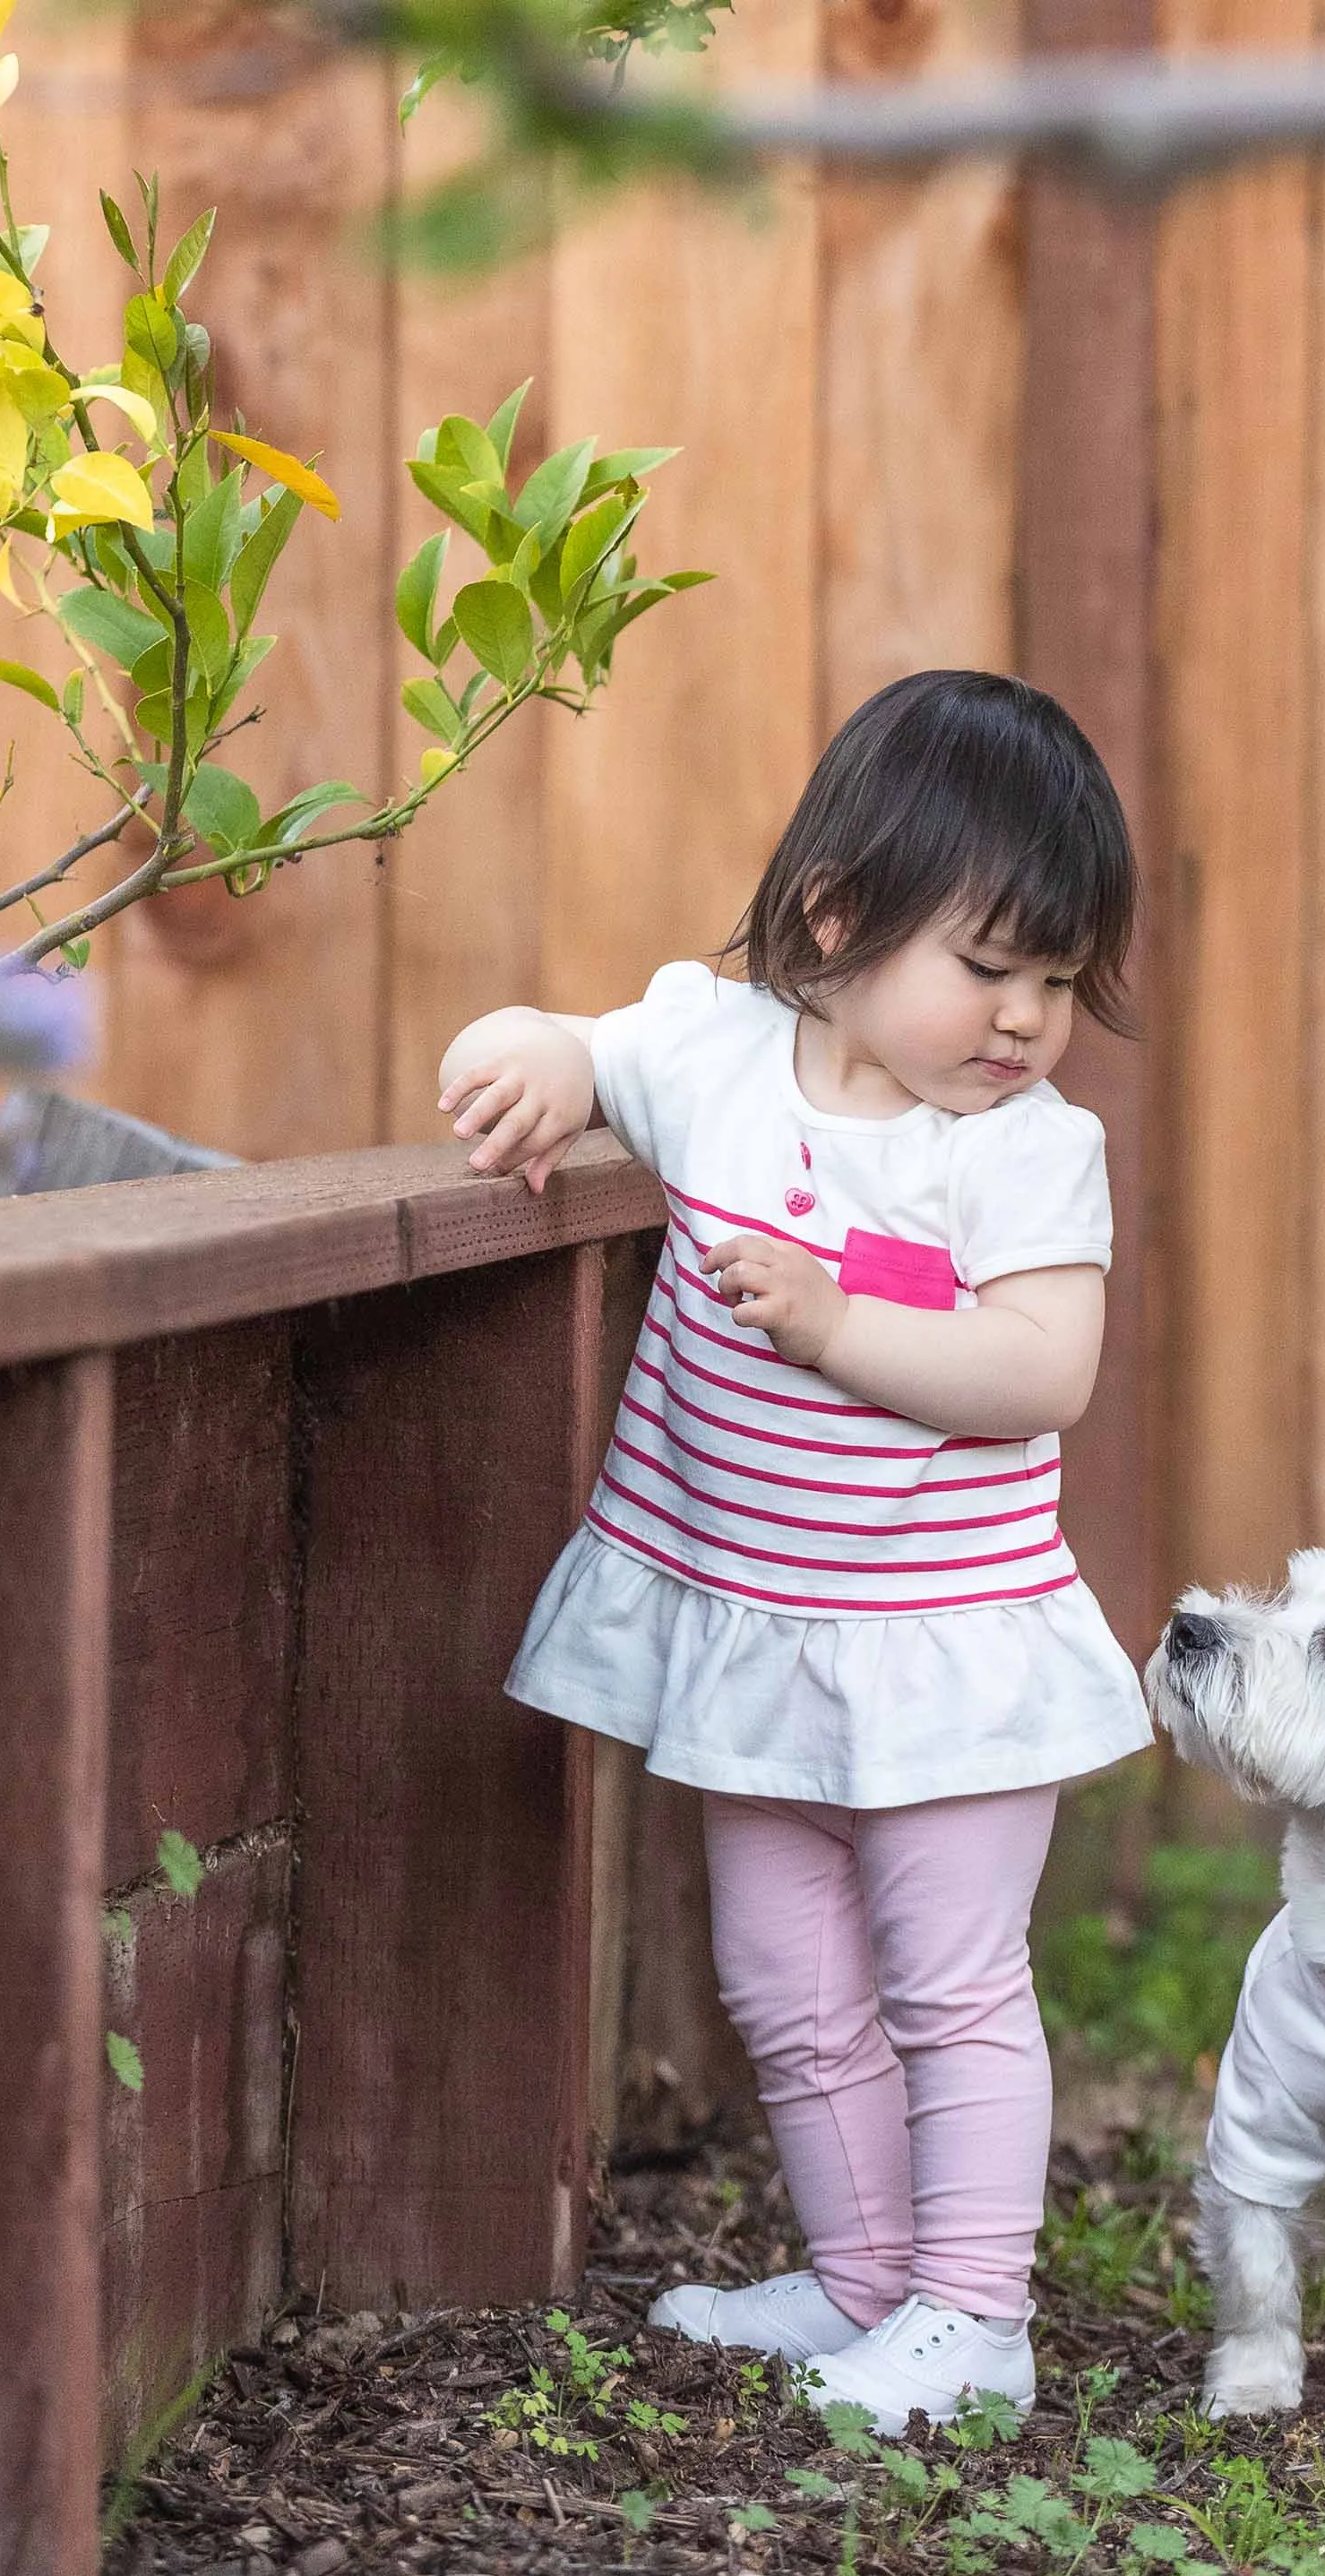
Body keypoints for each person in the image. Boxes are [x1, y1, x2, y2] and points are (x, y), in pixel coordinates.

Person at [437, 669, 1153, 2434]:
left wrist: (838, 1327)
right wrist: (527, 1056)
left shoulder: (1028, 1156)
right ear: (838, 918)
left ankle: (975, 2316)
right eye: (988, 968)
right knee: (786, 1976)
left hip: (943, 1648)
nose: (1024, 1020)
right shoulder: (718, 1059)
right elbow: (589, 1047)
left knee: (948, 1983)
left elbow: (1041, 1370)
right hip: (756, 1633)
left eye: (1057, 983)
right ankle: (863, 2282)